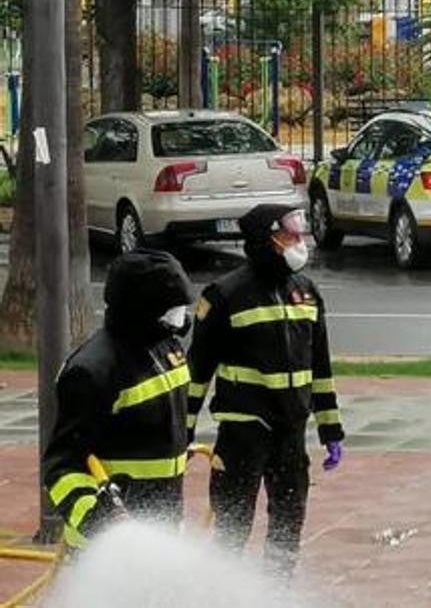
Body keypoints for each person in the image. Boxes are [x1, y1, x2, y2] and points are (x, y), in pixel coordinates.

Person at [187, 203, 345, 579]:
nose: (299, 241)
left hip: (291, 431)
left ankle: (276, 593)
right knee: (233, 525)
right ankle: (220, 597)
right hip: (244, 432)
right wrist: (182, 429)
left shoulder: (306, 293)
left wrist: (330, 428)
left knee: (288, 525)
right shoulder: (225, 296)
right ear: (266, 240)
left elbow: (320, 368)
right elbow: (197, 372)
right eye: (289, 235)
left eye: (299, 234)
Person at [43, 249, 196, 550]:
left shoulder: (165, 347)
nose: (179, 316)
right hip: (105, 545)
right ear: (142, 308)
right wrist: (101, 521)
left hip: (163, 525)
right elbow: (61, 466)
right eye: (171, 307)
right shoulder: (92, 372)